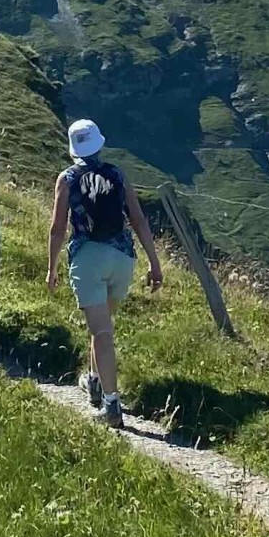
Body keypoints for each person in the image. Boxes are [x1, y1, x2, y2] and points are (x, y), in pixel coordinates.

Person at [46, 120, 164, 429]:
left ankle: (112, 405)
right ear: (99, 144)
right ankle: (95, 381)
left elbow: (58, 228)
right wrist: (154, 263)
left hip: (87, 257)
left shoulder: (68, 178)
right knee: (102, 326)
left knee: (101, 332)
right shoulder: (117, 175)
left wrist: (51, 267)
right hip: (122, 258)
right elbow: (138, 220)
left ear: (73, 149)